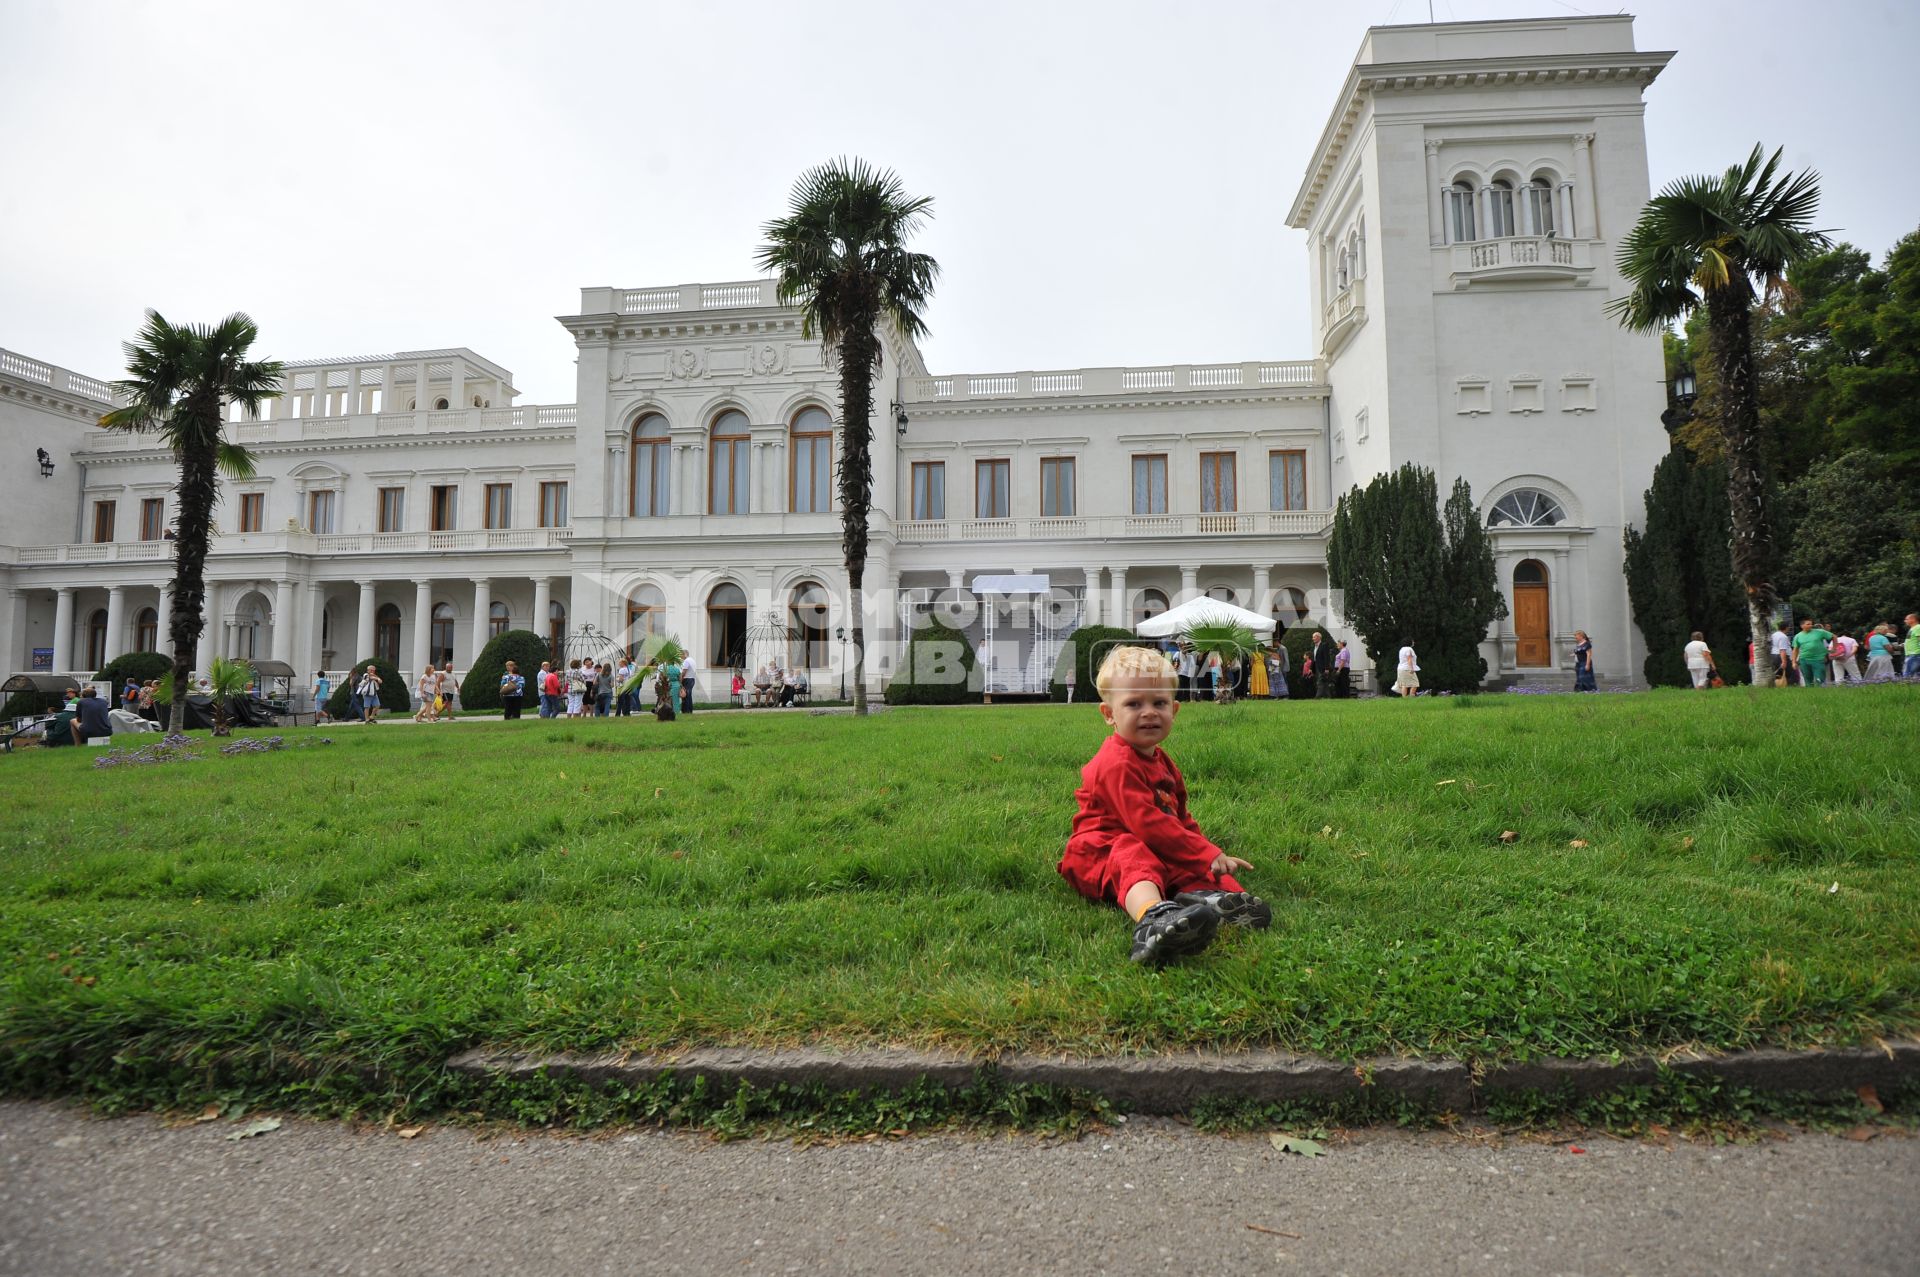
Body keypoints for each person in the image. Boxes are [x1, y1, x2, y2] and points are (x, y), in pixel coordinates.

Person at [1058, 645, 1271, 967]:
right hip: (1103, 849)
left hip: (1150, 841)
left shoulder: (1163, 762)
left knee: (1188, 862)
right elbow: (1147, 824)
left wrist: (1208, 855)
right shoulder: (1115, 763)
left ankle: (1215, 901)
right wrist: (1205, 853)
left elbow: (1179, 820)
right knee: (1135, 853)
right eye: (1133, 704)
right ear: (1109, 714)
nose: (1149, 712)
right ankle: (1153, 918)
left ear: (1174, 709)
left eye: (1159, 703)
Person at [1791, 618, 1833, 687]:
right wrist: (1794, 662)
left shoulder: (1820, 632)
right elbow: (1795, 650)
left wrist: (1834, 648)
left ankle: (1820, 693)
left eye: (1811, 624)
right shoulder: (1797, 636)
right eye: (1808, 624)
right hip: (1804, 660)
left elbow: (1833, 636)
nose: (1811, 625)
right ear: (1802, 626)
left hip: (1818, 660)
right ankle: (1810, 694)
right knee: (1808, 681)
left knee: (1819, 680)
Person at [1311, 631, 1336, 700]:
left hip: (1322, 667)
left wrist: (1327, 668)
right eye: (1313, 637)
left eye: (1314, 637)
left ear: (1319, 637)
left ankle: (1317, 697)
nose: (1313, 638)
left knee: (1320, 682)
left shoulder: (1324, 645)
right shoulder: (1315, 647)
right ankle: (1328, 696)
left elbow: (1326, 657)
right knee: (1324, 682)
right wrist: (1311, 668)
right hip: (1316, 667)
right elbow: (1314, 659)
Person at [1769, 622, 1794, 686]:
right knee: (1787, 674)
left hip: (1773, 656)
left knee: (1778, 674)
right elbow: (1782, 649)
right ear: (1786, 628)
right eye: (1789, 627)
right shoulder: (1783, 637)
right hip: (1781, 657)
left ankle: (1778, 686)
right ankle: (1787, 686)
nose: (1789, 629)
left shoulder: (1773, 635)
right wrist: (1784, 662)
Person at [1905, 612, 1920, 679]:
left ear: (1913, 619)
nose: (1905, 621)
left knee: (1908, 675)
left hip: (1915, 653)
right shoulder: (1913, 628)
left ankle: (1906, 688)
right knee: (1912, 675)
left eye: (1907, 619)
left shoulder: (1918, 627)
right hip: (1911, 653)